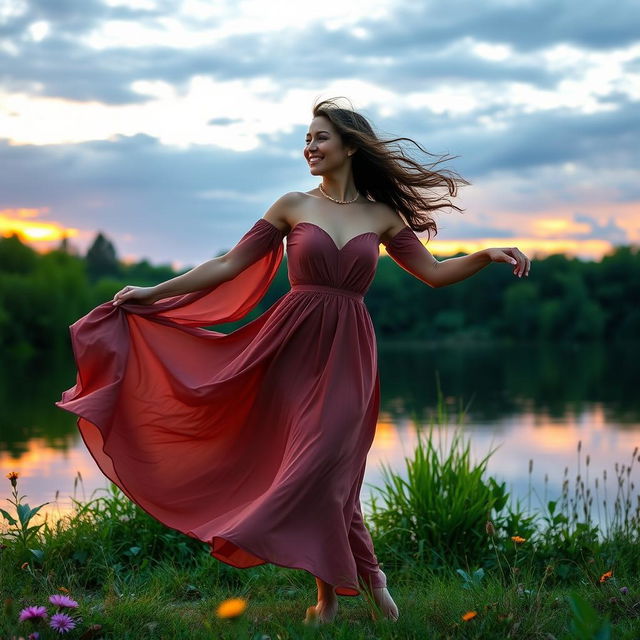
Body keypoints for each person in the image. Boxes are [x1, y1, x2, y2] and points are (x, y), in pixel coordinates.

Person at [56, 97, 530, 625]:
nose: (309, 146)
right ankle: (351, 594)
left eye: (320, 137)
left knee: (331, 469)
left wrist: (487, 255)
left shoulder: (381, 216)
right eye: (307, 138)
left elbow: (436, 273)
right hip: (289, 351)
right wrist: (154, 293)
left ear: (350, 146)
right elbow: (229, 264)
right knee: (323, 472)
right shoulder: (291, 206)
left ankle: (353, 590)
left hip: (350, 353)